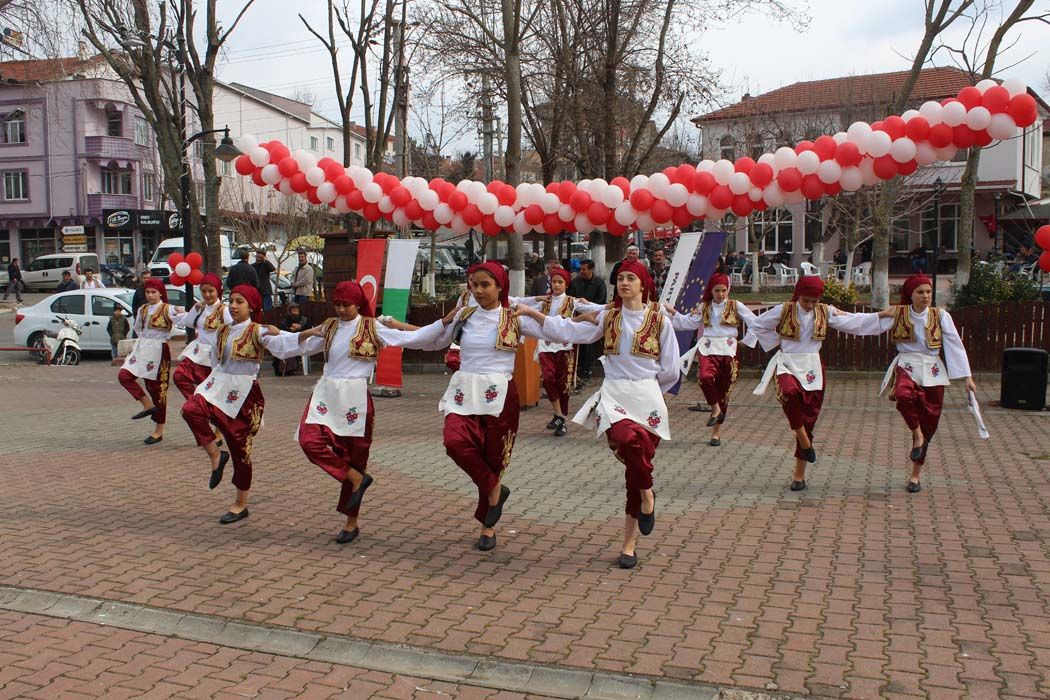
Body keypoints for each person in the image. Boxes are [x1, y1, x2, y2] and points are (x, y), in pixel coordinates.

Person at [517, 260, 679, 570]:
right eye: (621, 278)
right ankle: (648, 493)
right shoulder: (608, 316)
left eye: (631, 278)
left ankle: (629, 543)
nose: (624, 283)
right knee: (625, 440)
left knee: (635, 469)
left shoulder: (660, 321)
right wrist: (533, 315)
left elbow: (671, 370)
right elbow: (569, 330)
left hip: (647, 397)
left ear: (644, 284)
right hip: (615, 394)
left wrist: (649, 391)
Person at [381, 261, 550, 553]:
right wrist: (398, 332)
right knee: (455, 442)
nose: (479, 291)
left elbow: (564, 331)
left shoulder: (515, 317)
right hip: (464, 391)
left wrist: (602, 317)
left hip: (499, 395)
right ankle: (495, 490)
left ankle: (487, 526)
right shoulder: (464, 315)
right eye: (474, 285)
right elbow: (430, 340)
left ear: (500, 287)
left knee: (492, 458)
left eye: (485, 285)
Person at [268, 281, 448, 544]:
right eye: (338, 304)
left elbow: (410, 339)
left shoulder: (372, 327)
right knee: (309, 441)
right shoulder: (330, 326)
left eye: (347, 305)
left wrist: (443, 323)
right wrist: (287, 335)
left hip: (355, 398)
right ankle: (356, 479)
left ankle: (351, 521)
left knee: (353, 457)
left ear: (358, 304)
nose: (341, 309)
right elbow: (299, 346)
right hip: (326, 393)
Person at [744, 276, 882, 492]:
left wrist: (881, 315)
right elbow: (758, 325)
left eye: (814, 301)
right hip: (788, 362)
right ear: (798, 295)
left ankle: (799, 475)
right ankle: (804, 440)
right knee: (788, 393)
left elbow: (854, 322)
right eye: (805, 300)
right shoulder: (784, 310)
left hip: (812, 366)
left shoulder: (825, 312)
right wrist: (777, 340)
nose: (809, 305)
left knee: (809, 418)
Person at [180, 285, 289, 524]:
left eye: (240, 302)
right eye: (232, 301)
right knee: (190, 409)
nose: (233, 306)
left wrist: (297, 332)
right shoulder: (222, 330)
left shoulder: (259, 331)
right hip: (220, 384)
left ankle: (241, 503)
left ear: (252, 306)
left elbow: (289, 346)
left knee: (241, 450)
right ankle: (216, 455)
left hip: (245, 393)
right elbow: (214, 360)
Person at [861, 275, 976, 492]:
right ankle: (917, 433)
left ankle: (915, 475)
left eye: (928, 292)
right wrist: (836, 316)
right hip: (908, 364)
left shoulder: (941, 316)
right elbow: (866, 324)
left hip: (933, 369)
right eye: (920, 292)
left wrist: (967, 376)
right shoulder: (898, 313)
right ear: (910, 294)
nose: (925, 296)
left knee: (930, 421)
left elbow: (955, 345)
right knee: (903, 395)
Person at [666, 273, 757, 446]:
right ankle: (715, 409)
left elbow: (755, 323)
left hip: (729, 350)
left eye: (723, 290)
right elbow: (688, 323)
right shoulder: (704, 306)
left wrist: (746, 341)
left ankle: (716, 433)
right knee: (705, 377)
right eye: (717, 291)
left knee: (724, 391)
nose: (721, 294)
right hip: (708, 348)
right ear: (711, 291)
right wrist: (673, 313)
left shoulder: (735, 305)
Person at [518, 268, 604, 437]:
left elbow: (595, 308)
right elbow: (522, 305)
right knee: (548, 378)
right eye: (554, 282)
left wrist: (615, 305)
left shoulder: (573, 301)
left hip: (565, 346)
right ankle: (559, 414)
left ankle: (560, 417)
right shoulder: (544, 301)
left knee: (563, 383)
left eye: (560, 282)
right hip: (546, 345)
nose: (556, 285)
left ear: (566, 284)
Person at [118, 278, 183, 445]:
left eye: (154, 292)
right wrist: (144, 342)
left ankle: (158, 430)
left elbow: (185, 320)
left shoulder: (168, 309)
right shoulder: (143, 309)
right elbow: (137, 328)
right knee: (124, 375)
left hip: (159, 350)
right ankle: (146, 404)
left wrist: (185, 311)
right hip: (143, 347)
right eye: (147, 292)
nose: (150, 295)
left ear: (161, 293)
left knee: (158, 390)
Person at [172, 273, 232, 400]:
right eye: (204, 291)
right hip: (196, 352)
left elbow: (234, 332)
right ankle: (195, 403)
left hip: (212, 356)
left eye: (211, 291)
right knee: (179, 376)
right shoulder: (200, 307)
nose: (207, 295)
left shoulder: (225, 310)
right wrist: (194, 309)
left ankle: (201, 406)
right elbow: (188, 322)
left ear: (218, 291)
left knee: (209, 391)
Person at [568, 259, 607, 384]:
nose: (581, 271)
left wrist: (588, 307)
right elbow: (570, 299)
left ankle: (587, 369)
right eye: (580, 269)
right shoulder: (575, 282)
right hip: (577, 317)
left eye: (584, 269)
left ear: (591, 269)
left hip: (593, 318)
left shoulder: (599, 283)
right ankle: (577, 368)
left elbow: (601, 301)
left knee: (589, 346)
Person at [273, 303, 309, 376]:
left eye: (296, 308)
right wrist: (290, 329)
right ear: (290, 310)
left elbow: (309, 329)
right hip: (288, 340)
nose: (295, 309)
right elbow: (282, 329)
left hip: (301, 340)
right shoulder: (286, 319)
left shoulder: (304, 319)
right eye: (293, 308)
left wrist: (300, 327)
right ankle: (283, 369)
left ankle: (291, 369)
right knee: (282, 344)